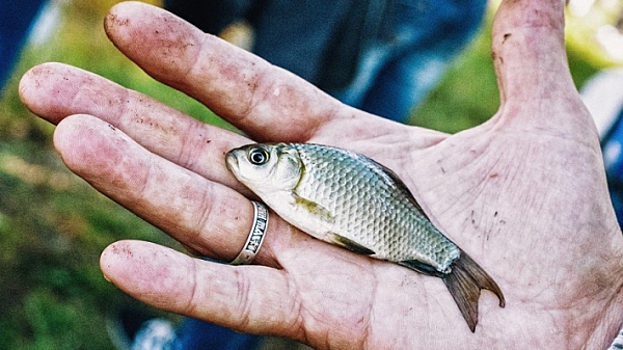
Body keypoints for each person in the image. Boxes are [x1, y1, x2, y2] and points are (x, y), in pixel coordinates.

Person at [16, 0, 623, 349]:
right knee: (375, 121)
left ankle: (191, 345)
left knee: (291, 215)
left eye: (258, 162)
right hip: (446, 10)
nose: (247, 161)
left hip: (336, 16)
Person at [163, 0, 488, 123]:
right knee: (368, 149)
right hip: (458, 11)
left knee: (300, 151)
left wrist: (194, 18)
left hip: (344, 24)